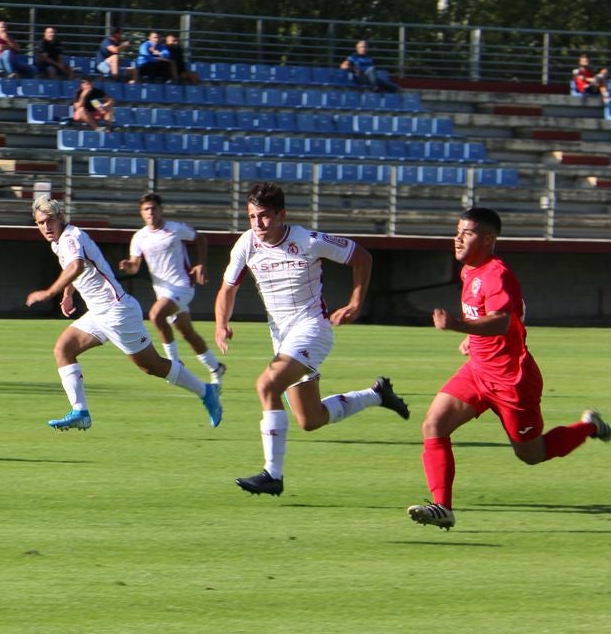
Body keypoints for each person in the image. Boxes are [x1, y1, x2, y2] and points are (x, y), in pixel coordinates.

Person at [407, 208, 609, 530]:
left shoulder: (496, 273)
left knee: (531, 453)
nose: (457, 238)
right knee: (434, 425)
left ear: (488, 239)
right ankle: (442, 507)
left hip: (512, 380)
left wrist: (459, 326)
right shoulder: (470, 271)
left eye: (467, 233)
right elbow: (511, 315)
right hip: (477, 371)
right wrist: (473, 338)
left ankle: (590, 427)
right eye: (457, 231)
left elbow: (501, 321)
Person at [214, 182, 410, 496]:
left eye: (263, 216)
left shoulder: (307, 240)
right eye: (252, 217)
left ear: (281, 215)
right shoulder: (246, 244)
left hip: (312, 329)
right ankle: (376, 395)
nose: (257, 224)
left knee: (266, 385)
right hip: (282, 339)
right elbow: (227, 289)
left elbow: (362, 257)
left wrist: (356, 303)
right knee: (310, 419)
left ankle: (272, 475)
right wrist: (221, 323)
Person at [25, 197, 223, 432]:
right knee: (63, 349)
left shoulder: (70, 237)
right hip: (98, 313)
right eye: (40, 223)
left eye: (50, 221)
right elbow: (72, 268)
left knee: (153, 367)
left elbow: (76, 266)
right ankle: (80, 412)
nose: (46, 227)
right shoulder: (59, 242)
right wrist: (67, 295)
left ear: (60, 218)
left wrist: (50, 292)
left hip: (117, 312)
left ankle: (206, 391)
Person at [118, 193, 224, 381]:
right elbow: (134, 266)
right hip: (162, 291)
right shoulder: (139, 237)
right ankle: (215, 367)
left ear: (160, 210)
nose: (150, 212)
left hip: (182, 286)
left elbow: (200, 239)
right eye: (146, 209)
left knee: (156, 315)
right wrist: (129, 266)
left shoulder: (175, 229)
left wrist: (201, 263)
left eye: (153, 208)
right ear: (141, 213)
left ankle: (174, 363)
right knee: (187, 333)